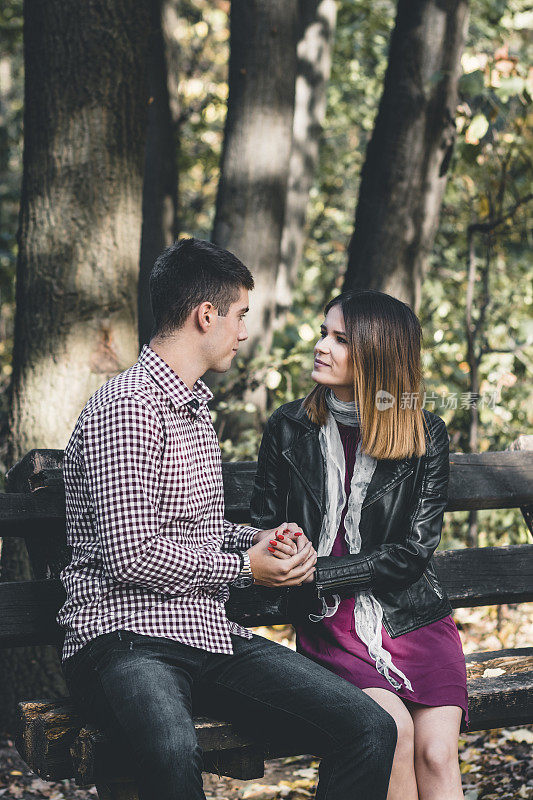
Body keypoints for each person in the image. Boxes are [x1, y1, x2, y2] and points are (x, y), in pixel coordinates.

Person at [57, 239, 397, 800]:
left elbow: (197, 529)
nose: (243, 332)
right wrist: (246, 569)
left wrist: (259, 539)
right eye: (240, 315)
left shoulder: (192, 409)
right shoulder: (125, 408)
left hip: (205, 633)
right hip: (123, 640)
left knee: (367, 727)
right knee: (171, 754)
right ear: (205, 315)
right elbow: (132, 554)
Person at [250, 290, 468, 800]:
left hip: (413, 618)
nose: (321, 346)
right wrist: (282, 545)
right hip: (331, 624)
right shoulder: (288, 428)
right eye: (324, 332)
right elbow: (261, 524)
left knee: (437, 754)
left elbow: (414, 552)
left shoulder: (424, 433)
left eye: (340, 339)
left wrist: (319, 571)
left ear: (376, 353)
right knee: (394, 733)